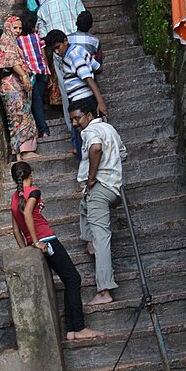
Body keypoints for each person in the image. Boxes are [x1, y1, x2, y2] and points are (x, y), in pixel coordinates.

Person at [10, 162, 102, 342]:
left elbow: (15, 230)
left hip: (34, 243)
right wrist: (37, 241)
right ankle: (79, 328)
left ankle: (71, 330)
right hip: (47, 240)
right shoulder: (34, 191)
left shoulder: (14, 198)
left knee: (69, 280)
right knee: (73, 279)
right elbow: (28, 212)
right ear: (32, 174)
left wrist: (27, 250)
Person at [70, 99, 127, 308]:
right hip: (113, 188)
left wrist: (92, 177)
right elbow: (122, 153)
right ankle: (89, 240)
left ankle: (104, 291)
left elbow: (95, 148)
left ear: (89, 115)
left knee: (102, 238)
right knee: (83, 207)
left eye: (77, 118)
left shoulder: (89, 132)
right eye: (73, 119)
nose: (75, 123)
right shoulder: (109, 128)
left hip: (99, 188)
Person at [36, 0, 87, 147]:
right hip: (79, 47)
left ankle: (75, 134)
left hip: (59, 54)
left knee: (67, 94)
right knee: (87, 83)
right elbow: (84, 19)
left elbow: (42, 35)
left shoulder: (43, 9)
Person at [42, 30, 107, 156]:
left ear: (65, 41)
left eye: (58, 47)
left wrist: (100, 102)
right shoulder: (79, 51)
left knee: (85, 134)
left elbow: (88, 78)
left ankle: (88, 164)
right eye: (53, 49)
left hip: (82, 100)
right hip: (82, 99)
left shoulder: (73, 55)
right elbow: (98, 67)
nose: (57, 52)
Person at [0, 15, 39, 160]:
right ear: (8, 27)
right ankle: (25, 151)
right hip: (12, 85)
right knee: (20, 115)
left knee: (17, 116)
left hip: (11, 86)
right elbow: (12, 61)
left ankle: (19, 152)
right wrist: (23, 75)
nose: (17, 31)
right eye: (15, 27)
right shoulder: (7, 42)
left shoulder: (9, 42)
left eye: (20, 28)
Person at [17, 12, 50, 138]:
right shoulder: (37, 36)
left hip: (30, 73)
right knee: (38, 99)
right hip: (42, 71)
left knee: (36, 101)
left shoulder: (18, 40)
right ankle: (41, 128)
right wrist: (47, 69)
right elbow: (43, 54)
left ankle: (43, 129)